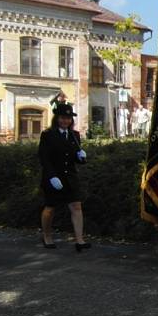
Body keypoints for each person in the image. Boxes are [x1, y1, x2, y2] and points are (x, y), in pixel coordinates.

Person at [38, 102, 90, 252]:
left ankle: (79, 240)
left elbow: (75, 159)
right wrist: (52, 176)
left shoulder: (75, 135)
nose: (65, 121)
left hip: (70, 178)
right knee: (50, 208)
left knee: (76, 206)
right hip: (53, 177)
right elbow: (44, 158)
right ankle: (47, 236)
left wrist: (81, 157)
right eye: (62, 118)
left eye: (68, 118)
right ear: (57, 118)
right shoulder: (48, 135)